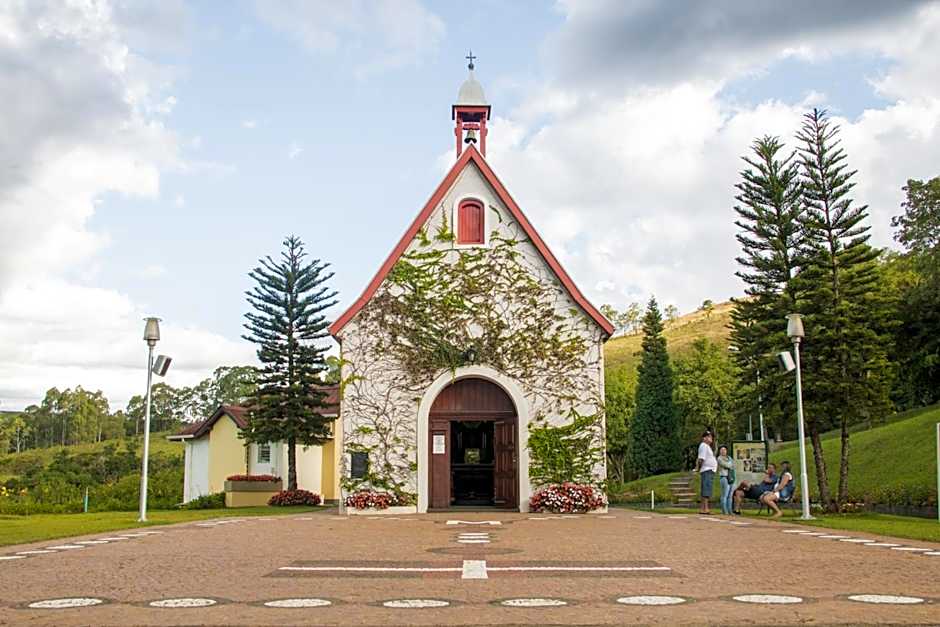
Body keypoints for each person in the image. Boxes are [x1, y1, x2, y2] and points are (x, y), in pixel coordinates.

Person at [693, 430, 717, 514]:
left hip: (709, 470)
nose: (710, 438)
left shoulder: (707, 447)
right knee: (706, 490)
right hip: (707, 470)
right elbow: (701, 459)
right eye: (708, 437)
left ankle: (703, 508)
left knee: (706, 489)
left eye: (711, 437)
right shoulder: (703, 446)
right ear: (704, 438)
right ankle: (705, 509)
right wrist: (698, 468)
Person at [716, 445, 735, 515]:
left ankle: (730, 510)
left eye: (724, 449)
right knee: (724, 495)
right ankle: (724, 511)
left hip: (731, 477)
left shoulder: (729, 457)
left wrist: (730, 464)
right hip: (724, 477)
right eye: (721, 450)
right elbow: (727, 465)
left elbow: (733, 465)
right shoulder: (719, 458)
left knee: (730, 496)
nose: (723, 451)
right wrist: (730, 464)